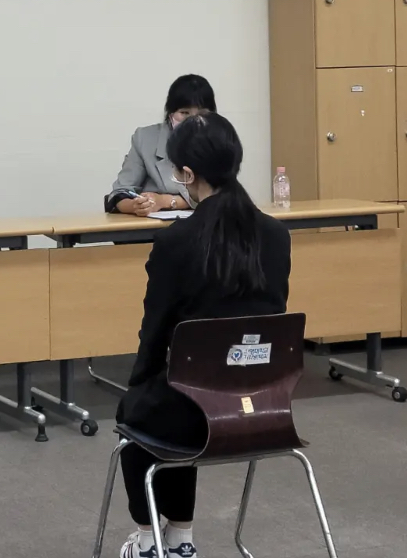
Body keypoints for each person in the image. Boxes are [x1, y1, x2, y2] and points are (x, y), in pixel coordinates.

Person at [116, 113, 291, 558]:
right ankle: (181, 538)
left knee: (144, 410)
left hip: (192, 413)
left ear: (188, 175)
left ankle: (149, 540)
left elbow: (154, 332)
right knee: (181, 389)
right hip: (264, 409)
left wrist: (139, 385)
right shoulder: (276, 235)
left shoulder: (177, 241)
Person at [106, 75, 216, 215]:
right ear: (170, 113)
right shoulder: (145, 139)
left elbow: (221, 195)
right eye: (184, 113)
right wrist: (135, 206)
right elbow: (119, 193)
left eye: (201, 114)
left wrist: (166, 201)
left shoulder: (218, 139)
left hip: (206, 222)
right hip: (155, 226)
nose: (192, 121)